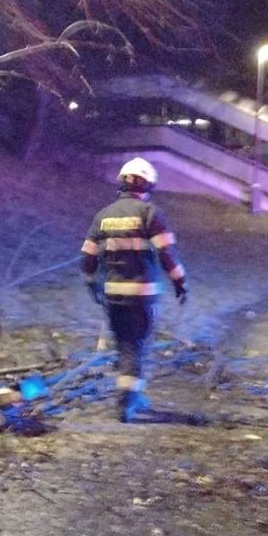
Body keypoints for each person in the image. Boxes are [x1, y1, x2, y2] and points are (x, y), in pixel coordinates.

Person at [79, 156, 188, 422]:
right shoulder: (149, 213)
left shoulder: (103, 216)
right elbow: (166, 253)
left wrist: (91, 282)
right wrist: (180, 282)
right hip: (141, 294)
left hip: (113, 294)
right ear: (148, 185)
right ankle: (127, 402)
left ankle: (129, 396)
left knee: (124, 346)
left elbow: (88, 256)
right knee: (136, 348)